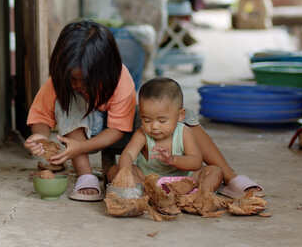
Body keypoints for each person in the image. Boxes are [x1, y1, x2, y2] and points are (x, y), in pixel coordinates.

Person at [24, 20, 136, 202]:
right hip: (78, 133)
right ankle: (86, 176)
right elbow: (41, 115)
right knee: (67, 100)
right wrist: (40, 138)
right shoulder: (61, 81)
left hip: (114, 134)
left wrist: (81, 147)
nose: (78, 85)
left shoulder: (121, 79)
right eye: (72, 79)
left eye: (85, 80)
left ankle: (116, 171)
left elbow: (118, 129)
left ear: (105, 70)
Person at [108, 77, 261, 198]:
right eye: (146, 120)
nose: (154, 126)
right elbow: (128, 154)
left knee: (214, 171)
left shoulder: (184, 132)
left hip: (184, 182)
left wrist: (173, 160)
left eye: (162, 121)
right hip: (150, 182)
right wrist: (126, 170)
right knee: (114, 170)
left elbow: (195, 161)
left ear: (180, 115)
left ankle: (203, 195)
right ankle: (148, 194)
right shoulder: (142, 134)